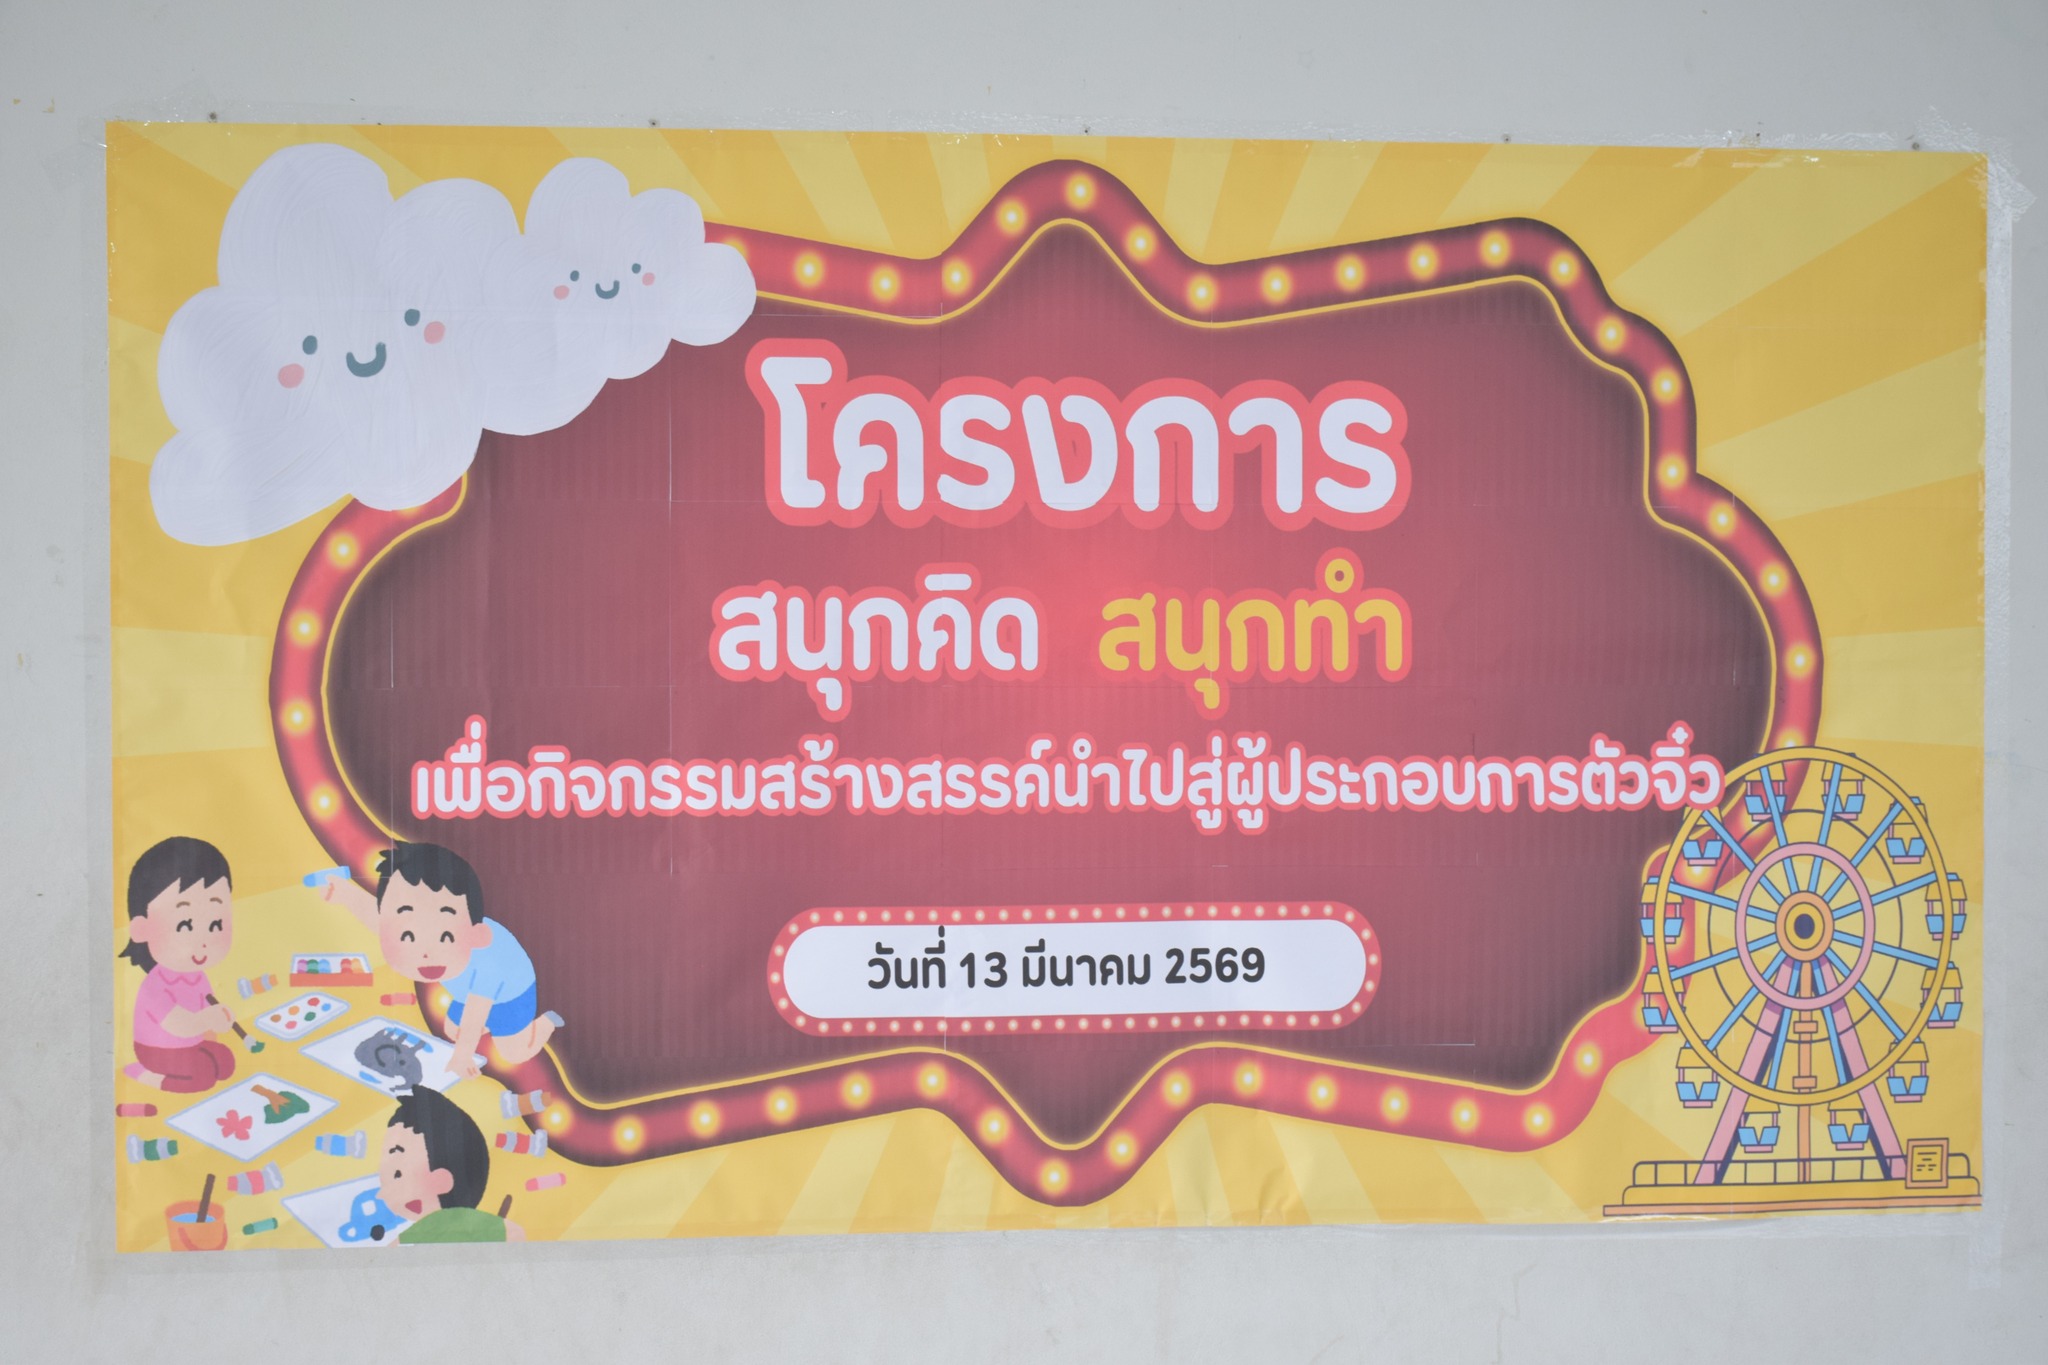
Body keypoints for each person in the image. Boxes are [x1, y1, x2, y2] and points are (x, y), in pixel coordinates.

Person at [318, 841, 560, 1080]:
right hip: (466, 993)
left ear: (478, 935)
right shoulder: (417, 931)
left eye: (445, 937)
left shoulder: (489, 964)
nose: (426, 955)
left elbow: (476, 1010)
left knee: (514, 1053)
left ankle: (548, 1022)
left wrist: (462, 1056)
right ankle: (485, 1027)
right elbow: (385, 923)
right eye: (409, 936)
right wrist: (344, 893)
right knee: (453, 1030)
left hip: (511, 997)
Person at [120, 837, 239, 1093]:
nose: (203, 940)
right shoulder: (157, 983)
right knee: (203, 1076)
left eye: (215, 924)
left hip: (191, 1044)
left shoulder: (198, 976)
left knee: (225, 1063)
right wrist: (206, 1020)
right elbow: (178, 1024)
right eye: (185, 925)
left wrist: (217, 1022)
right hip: (156, 1049)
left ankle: (197, 1062)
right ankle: (145, 1074)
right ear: (141, 929)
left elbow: (207, 1006)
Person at [380, 1086, 524, 1244]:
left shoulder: (439, 1224)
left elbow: (514, 1233)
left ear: (441, 1178)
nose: (381, 1194)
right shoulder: (429, 1228)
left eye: (397, 1174)